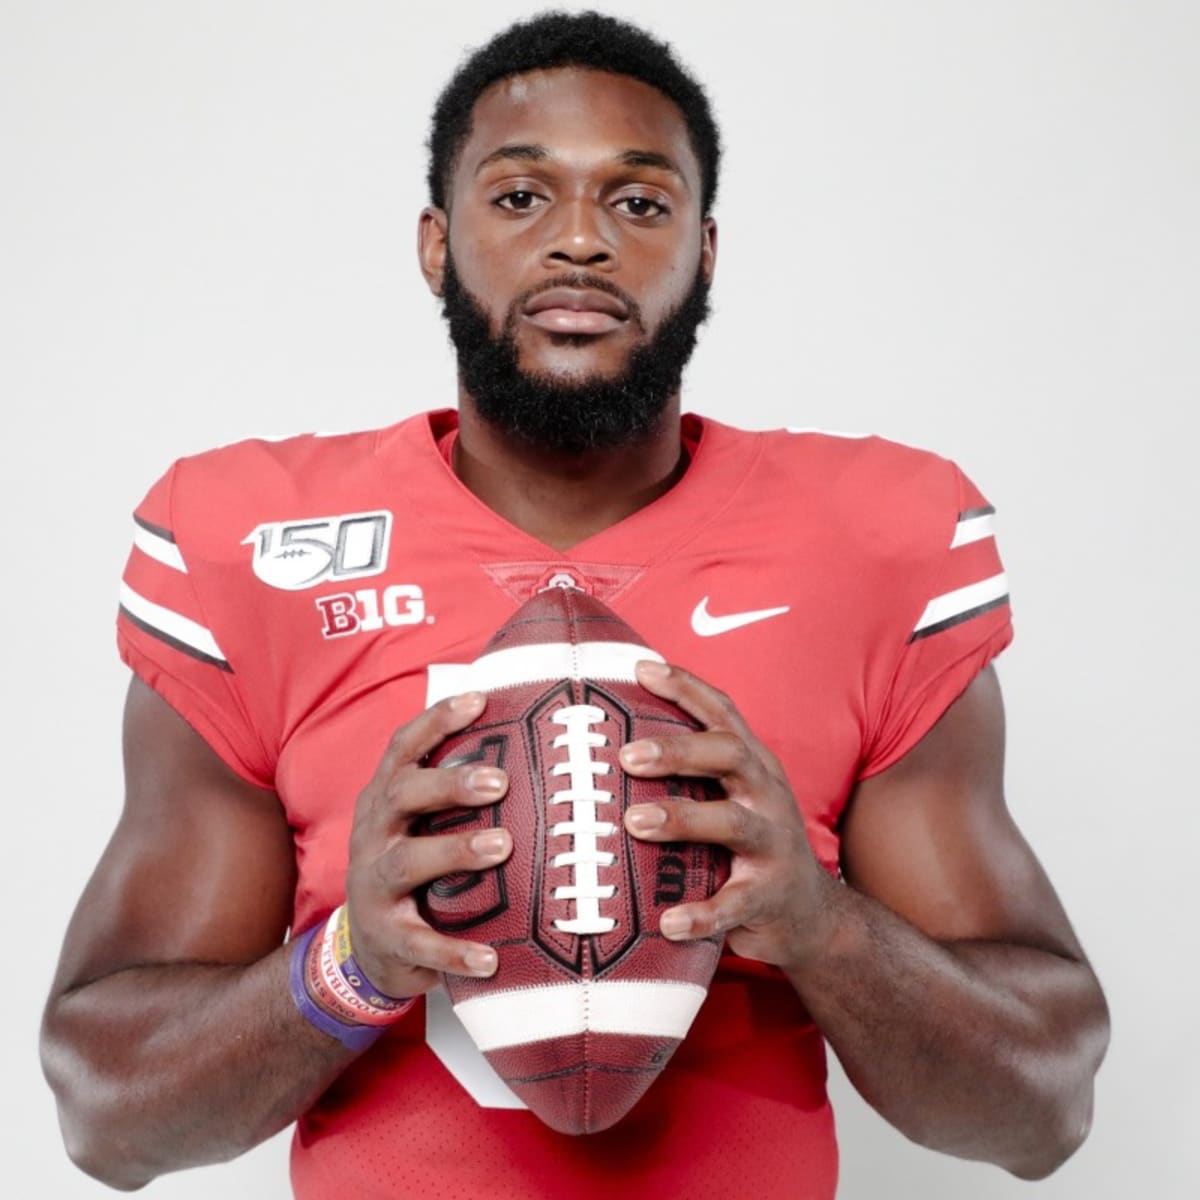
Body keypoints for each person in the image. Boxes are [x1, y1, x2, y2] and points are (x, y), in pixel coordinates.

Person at [41, 12, 1109, 1199]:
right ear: (437, 247)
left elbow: (1044, 1111)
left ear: (706, 252)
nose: (582, 242)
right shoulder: (257, 545)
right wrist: (352, 963)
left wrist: (822, 926)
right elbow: (107, 1117)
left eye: (639, 203)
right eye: (520, 198)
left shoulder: (873, 537)